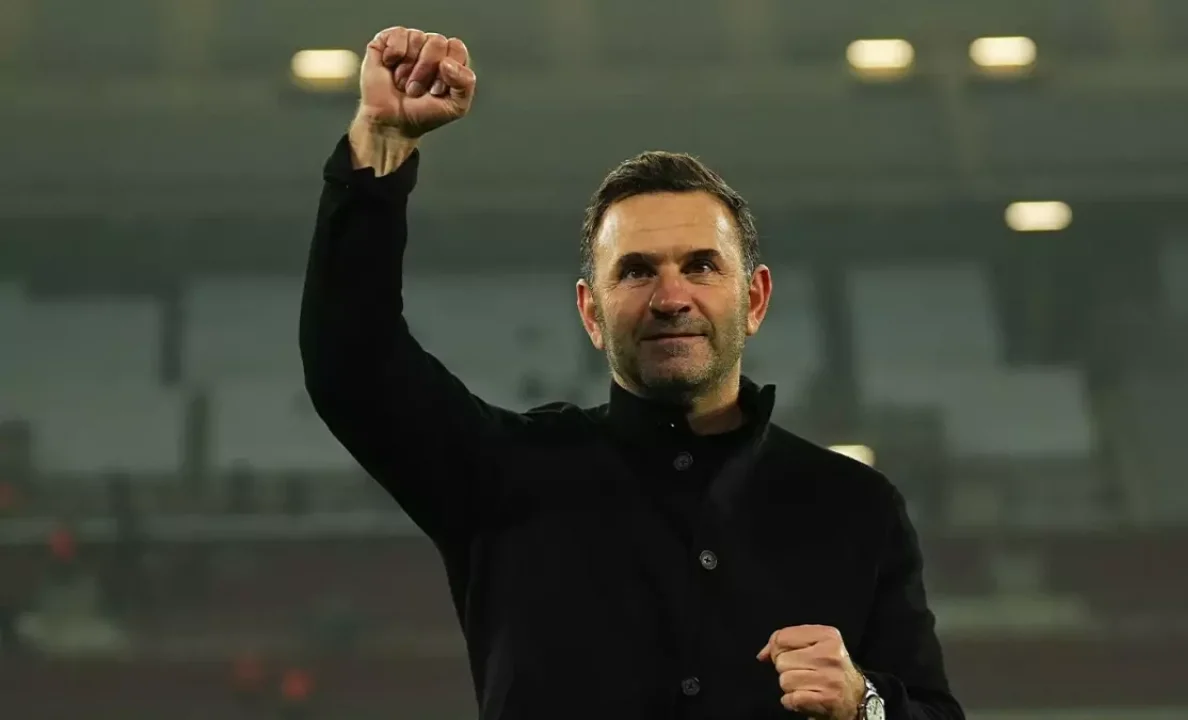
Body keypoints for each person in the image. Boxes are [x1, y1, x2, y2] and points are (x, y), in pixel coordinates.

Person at [300, 25, 963, 720]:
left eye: (701, 266)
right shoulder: (500, 474)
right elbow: (352, 363)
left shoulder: (855, 507)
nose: (671, 297)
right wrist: (381, 142)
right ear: (591, 312)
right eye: (637, 271)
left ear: (756, 298)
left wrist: (866, 703)